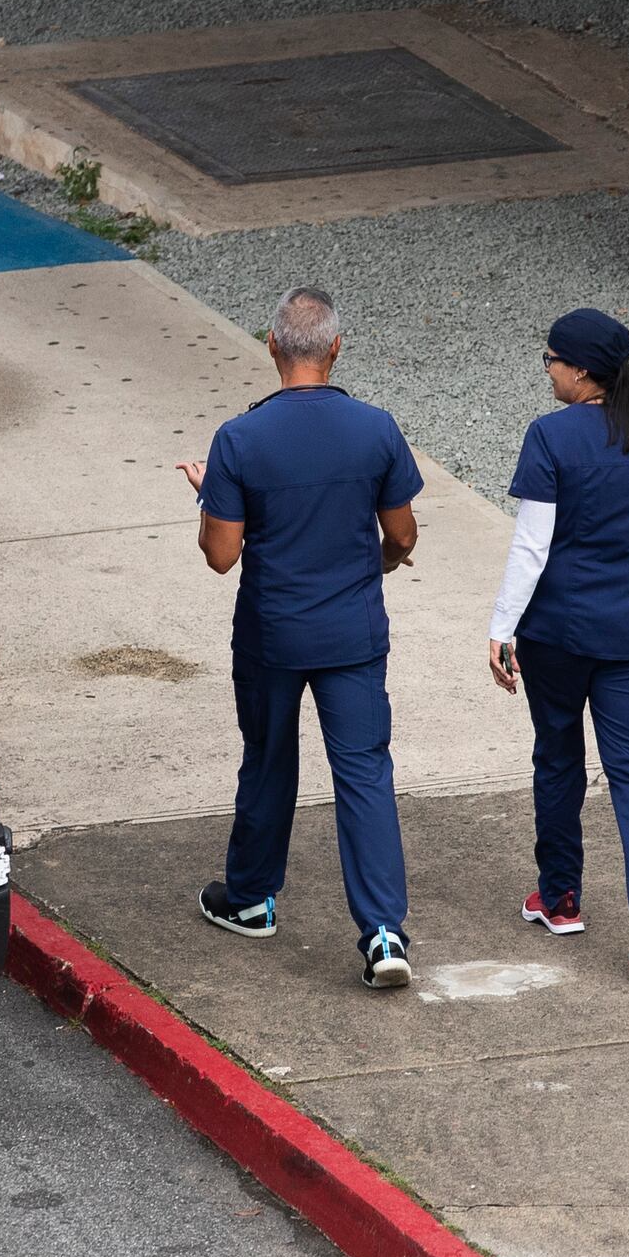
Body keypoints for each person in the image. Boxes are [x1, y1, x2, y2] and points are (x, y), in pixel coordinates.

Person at [179, 287, 423, 989]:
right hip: (352, 633)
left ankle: (252, 896)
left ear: (272, 345)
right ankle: (382, 932)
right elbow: (402, 533)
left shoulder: (239, 439)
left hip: (271, 633)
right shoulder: (375, 428)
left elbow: (223, 555)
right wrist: (371, 564)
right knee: (365, 774)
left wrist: (210, 495)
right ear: (337, 347)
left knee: (268, 759)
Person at [485, 308, 629, 981]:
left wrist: (500, 627)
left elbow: (531, 546)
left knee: (558, 756)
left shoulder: (551, 438)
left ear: (580, 370)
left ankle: (561, 897)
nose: (545, 368)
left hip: (558, 633)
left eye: (549, 358)